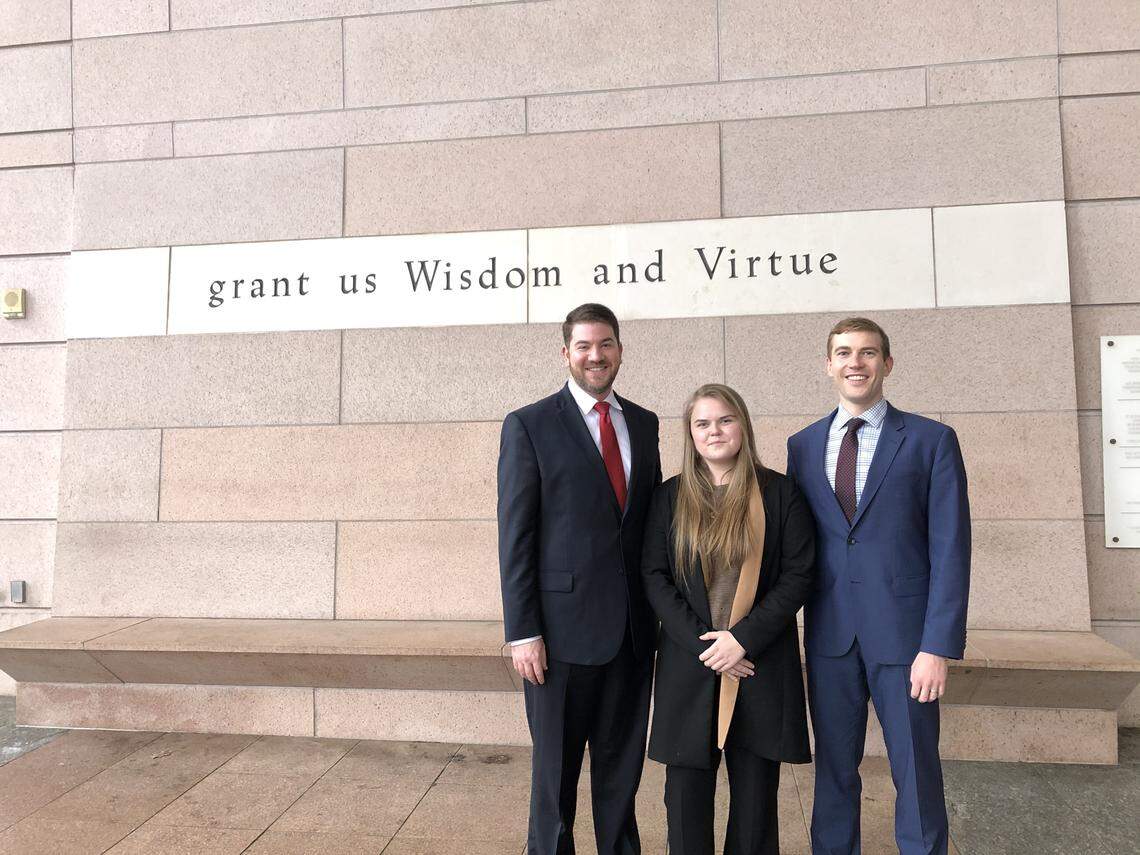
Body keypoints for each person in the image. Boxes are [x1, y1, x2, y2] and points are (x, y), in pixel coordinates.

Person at [786, 317, 970, 855]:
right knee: (834, 774)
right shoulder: (802, 446)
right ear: (828, 365)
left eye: (868, 353)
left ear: (887, 364)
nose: (855, 362)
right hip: (830, 640)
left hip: (906, 642)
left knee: (915, 774)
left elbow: (951, 549)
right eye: (844, 352)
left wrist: (937, 645)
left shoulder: (931, 440)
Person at [498, 303, 662, 855]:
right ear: (565, 352)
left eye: (607, 344)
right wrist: (523, 632)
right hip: (559, 638)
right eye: (585, 346)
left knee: (621, 777)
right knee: (554, 779)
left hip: (633, 636)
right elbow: (516, 536)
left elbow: (645, 528)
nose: (597, 355)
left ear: (619, 350)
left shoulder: (643, 423)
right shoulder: (530, 424)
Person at [641, 383, 815, 855]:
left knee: (756, 806)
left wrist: (742, 640)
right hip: (690, 666)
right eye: (703, 423)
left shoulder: (780, 493)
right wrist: (710, 650)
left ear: (743, 425)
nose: (714, 431)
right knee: (684, 803)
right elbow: (654, 577)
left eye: (725, 420)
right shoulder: (670, 498)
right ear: (690, 434)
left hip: (757, 665)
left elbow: (799, 575)